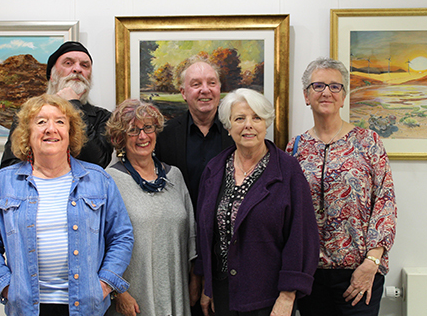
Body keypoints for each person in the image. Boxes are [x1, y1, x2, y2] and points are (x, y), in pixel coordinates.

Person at [0, 94, 134, 316]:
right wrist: (6, 286)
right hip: (28, 308)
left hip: (87, 306)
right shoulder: (2, 183)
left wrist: (105, 284)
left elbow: (121, 236)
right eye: (41, 122)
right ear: (27, 134)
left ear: (70, 133)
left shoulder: (99, 180)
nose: (51, 129)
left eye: (60, 121)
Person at [287, 57, 397, 316]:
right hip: (310, 275)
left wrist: (372, 262)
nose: (326, 92)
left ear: (344, 96)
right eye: (318, 86)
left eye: (335, 86)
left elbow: (385, 202)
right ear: (306, 95)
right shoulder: (295, 148)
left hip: (359, 272)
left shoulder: (368, 142)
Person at [195, 88, 319, 316]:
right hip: (223, 295)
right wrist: (207, 285)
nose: (248, 125)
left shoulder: (288, 170)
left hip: (269, 299)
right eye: (239, 118)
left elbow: (301, 236)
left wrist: (287, 296)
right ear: (228, 125)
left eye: (257, 117)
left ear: (266, 123)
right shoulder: (214, 169)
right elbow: (205, 231)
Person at [155, 54, 234, 315]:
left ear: (220, 89)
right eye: (196, 83)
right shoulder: (164, 136)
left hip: (227, 247)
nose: (205, 90)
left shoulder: (237, 134)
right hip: (178, 246)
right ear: (183, 92)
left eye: (211, 83)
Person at [104, 99, 196, 316]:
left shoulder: (175, 176)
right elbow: (100, 245)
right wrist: (120, 293)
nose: (143, 136)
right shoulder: (109, 180)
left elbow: (191, 236)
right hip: (133, 297)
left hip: (175, 291)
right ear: (120, 137)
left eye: (148, 127)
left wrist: (195, 281)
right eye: (133, 130)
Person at [0, 41, 113, 169]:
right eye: (68, 63)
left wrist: (74, 105)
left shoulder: (103, 117)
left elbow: (97, 163)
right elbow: (9, 165)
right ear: (52, 76)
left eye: (84, 65)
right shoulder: (27, 113)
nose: (77, 69)